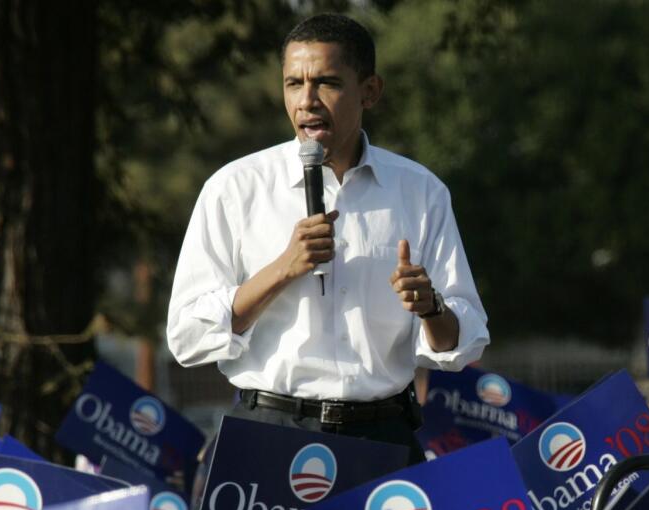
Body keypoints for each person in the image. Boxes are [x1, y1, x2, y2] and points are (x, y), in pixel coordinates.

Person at [166, 13, 489, 465]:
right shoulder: (234, 189)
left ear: (370, 91)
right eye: (293, 83)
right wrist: (282, 269)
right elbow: (186, 337)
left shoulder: (420, 192)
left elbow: (466, 341)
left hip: (382, 438)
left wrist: (431, 306)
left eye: (327, 83)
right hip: (268, 434)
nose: (307, 101)